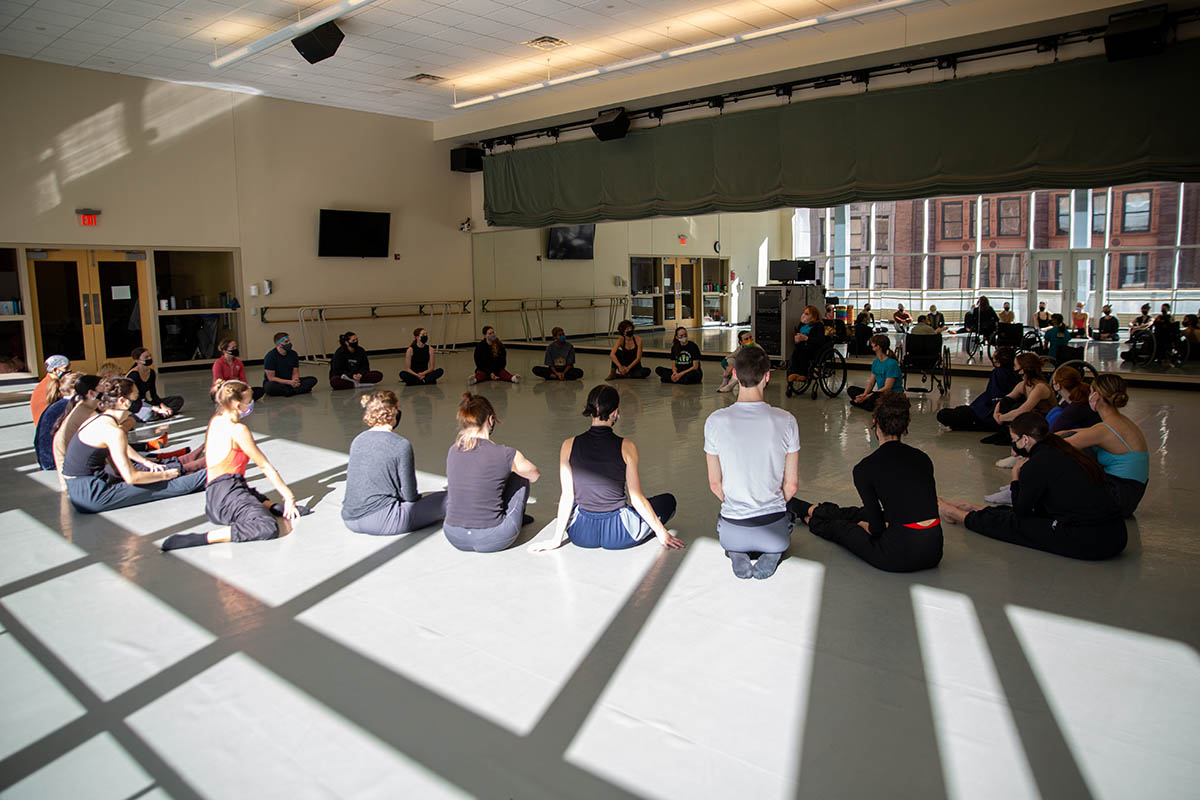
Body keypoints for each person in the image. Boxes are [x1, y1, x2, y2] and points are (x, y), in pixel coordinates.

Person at [938, 412, 1126, 560]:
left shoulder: (1035, 465)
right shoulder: (1065, 450)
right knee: (1022, 517)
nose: (1013, 444)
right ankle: (975, 509)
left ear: (1025, 439)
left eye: (1014, 439)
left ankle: (957, 514)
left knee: (1015, 526)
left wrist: (1015, 478)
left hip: (1090, 541)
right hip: (1115, 533)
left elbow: (1021, 512)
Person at [532, 385, 683, 553]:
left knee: (576, 501)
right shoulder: (627, 447)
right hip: (619, 534)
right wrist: (662, 533)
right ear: (615, 412)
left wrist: (556, 539)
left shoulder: (568, 445)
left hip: (582, 534)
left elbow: (567, 496)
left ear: (589, 411)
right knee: (667, 501)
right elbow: (636, 497)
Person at [799, 394, 942, 572]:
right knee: (860, 513)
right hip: (934, 551)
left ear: (875, 422)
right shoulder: (923, 459)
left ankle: (808, 517)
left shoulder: (864, 469)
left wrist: (861, 527)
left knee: (842, 528)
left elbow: (876, 529)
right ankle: (808, 509)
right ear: (905, 427)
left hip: (899, 556)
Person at [160, 380, 305, 551]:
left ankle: (272, 507)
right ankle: (201, 538)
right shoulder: (238, 430)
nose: (251, 404)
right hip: (227, 499)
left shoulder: (216, 420)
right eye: (249, 400)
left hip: (214, 496)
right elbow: (265, 466)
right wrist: (289, 497)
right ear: (237, 404)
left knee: (249, 493)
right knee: (267, 526)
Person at [703, 345, 798, 578]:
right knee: (790, 517)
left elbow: (715, 484)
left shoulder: (715, 421)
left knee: (725, 521)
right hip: (774, 529)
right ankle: (772, 553)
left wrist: (740, 503)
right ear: (767, 376)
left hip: (733, 529)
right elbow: (791, 486)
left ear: (734, 374)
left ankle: (736, 551)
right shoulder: (786, 421)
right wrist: (767, 503)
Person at [61, 377, 205, 513]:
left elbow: (117, 466)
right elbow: (131, 477)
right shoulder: (113, 431)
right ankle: (217, 472)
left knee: (155, 474)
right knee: (168, 486)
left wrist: (146, 464)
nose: (140, 401)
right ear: (124, 401)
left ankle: (193, 466)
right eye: (136, 396)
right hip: (91, 494)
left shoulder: (98, 419)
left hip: (82, 488)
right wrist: (165, 475)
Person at [341, 390, 447, 535]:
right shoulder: (400, 444)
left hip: (349, 518)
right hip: (381, 520)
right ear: (393, 412)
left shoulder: (358, 440)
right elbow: (410, 495)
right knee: (448, 499)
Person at [443, 393, 539, 551]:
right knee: (521, 474)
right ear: (490, 419)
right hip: (494, 537)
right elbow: (534, 475)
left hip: (453, 535)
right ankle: (514, 515)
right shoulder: (505, 453)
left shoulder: (453, 450)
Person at [1061, 374, 1148, 518]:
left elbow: (1055, 447)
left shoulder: (1104, 430)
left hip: (1118, 498)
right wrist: (1063, 432)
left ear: (1096, 396)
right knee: (1073, 439)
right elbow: (1084, 432)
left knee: (1061, 453)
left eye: (1090, 391)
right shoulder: (1120, 421)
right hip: (1129, 496)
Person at [988, 352, 1056, 457]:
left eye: (1015, 366)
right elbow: (1005, 399)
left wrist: (1001, 418)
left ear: (1022, 370)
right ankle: (1005, 434)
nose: (1013, 369)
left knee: (1017, 410)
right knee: (1007, 402)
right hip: (1033, 416)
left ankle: (1018, 449)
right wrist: (996, 412)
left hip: (1043, 420)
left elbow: (1023, 410)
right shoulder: (1023, 385)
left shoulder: (1040, 387)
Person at [936, 346, 1019, 431]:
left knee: (943, 415)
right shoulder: (1015, 374)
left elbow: (996, 398)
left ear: (998, 362)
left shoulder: (998, 373)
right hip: (985, 410)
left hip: (985, 412)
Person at [51, 374, 102, 490]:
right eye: (102, 388)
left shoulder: (81, 406)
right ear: (91, 393)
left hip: (69, 472)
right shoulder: (89, 414)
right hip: (75, 480)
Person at [34, 371, 81, 470]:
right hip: (53, 460)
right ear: (74, 391)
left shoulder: (58, 404)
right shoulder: (69, 407)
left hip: (45, 458)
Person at [126, 347, 184, 422]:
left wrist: (163, 406)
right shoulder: (133, 375)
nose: (149, 358)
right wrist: (156, 409)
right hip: (137, 404)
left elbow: (153, 394)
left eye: (150, 356)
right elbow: (134, 400)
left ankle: (162, 413)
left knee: (178, 400)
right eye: (146, 357)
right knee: (149, 413)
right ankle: (159, 414)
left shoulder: (151, 372)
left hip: (148, 402)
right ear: (137, 360)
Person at [848, 335, 902, 411]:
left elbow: (887, 388)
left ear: (878, 347)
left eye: (873, 344)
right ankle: (868, 403)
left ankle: (866, 403)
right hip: (880, 393)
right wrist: (865, 394)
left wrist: (868, 396)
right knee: (851, 389)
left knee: (874, 397)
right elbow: (871, 382)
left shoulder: (892, 363)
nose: (871, 345)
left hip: (891, 394)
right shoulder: (876, 362)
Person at [1046, 365, 1101, 434]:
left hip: (1090, 438)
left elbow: (1053, 432)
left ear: (1058, 386)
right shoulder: (1080, 396)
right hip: (1093, 432)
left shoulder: (1075, 407)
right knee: (1056, 411)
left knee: (1056, 414)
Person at [263, 332, 318, 396]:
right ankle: (296, 390)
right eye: (286, 342)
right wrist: (289, 382)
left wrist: (295, 381)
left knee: (312, 380)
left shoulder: (293, 354)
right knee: (269, 387)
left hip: (290, 380)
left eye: (289, 341)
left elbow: (295, 372)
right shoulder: (270, 356)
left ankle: (289, 391)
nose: (289, 343)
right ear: (279, 344)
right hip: (277, 382)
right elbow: (271, 378)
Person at [786, 305, 825, 386]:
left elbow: (820, 340)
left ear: (813, 316)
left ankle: (803, 374)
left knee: (803, 351)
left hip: (814, 348)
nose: (803, 315)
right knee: (796, 352)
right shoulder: (802, 325)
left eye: (807, 314)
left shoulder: (818, 325)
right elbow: (798, 335)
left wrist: (806, 338)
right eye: (803, 313)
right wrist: (797, 339)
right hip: (802, 345)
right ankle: (794, 373)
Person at [31, 354, 70, 425]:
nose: (69, 370)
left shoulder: (48, 382)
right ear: (55, 370)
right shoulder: (49, 386)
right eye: (66, 368)